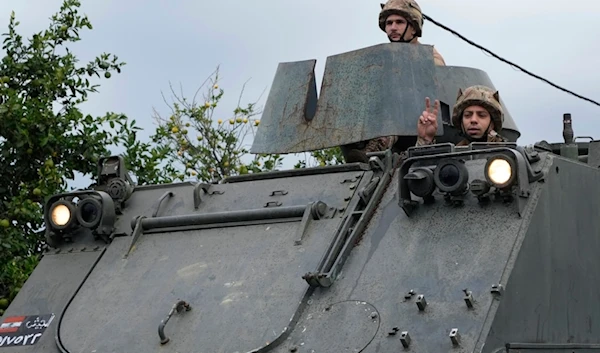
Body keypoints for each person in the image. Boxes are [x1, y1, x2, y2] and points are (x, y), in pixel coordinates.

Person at [341, 0, 445, 163]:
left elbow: (431, 91)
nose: (393, 28)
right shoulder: (383, 57)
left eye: (399, 22)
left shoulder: (430, 57)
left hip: (419, 123)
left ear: (413, 26)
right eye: (389, 23)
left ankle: (377, 148)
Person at [416, 85, 508, 147]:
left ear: (492, 122)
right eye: (467, 115)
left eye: (481, 115)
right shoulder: (453, 156)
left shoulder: (507, 152)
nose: (473, 120)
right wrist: (425, 140)